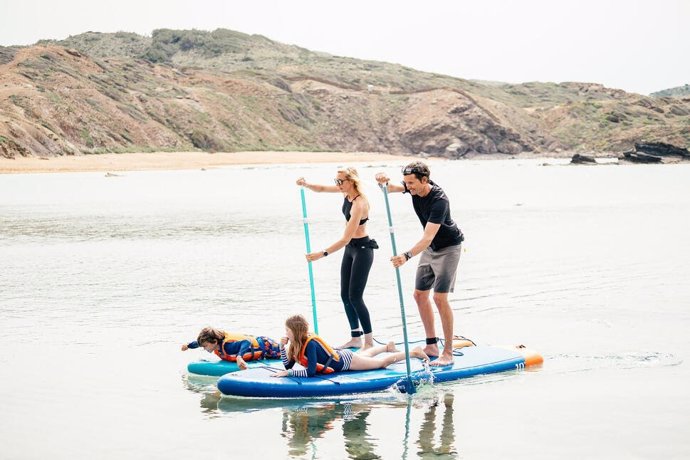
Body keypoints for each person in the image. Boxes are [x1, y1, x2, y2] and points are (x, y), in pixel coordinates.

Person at [375, 161, 464, 366]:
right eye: (406, 183)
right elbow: (389, 188)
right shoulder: (413, 187)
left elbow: (427, 237)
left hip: (448, 248)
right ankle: (431, 344)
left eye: (412, 183)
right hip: (430, 249)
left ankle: (447, 353)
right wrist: (382, 180)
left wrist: (406, 256)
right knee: (419, 295)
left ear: (425, 180)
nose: (408, 187)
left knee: (440, 298)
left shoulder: (439, 200)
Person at [296, 167, 379, 350]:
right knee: (345, 295)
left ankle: (369, 342)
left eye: (340, 181)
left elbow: (345, 238)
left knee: (356, 297)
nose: (338, 185)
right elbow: (323, 189)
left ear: (352, 181)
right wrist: (306, 184)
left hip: (363, 249)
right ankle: (355, 337)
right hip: (351, 250)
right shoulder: (346, 193)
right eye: (337, 181)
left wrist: (322, 253)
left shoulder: (359, 203)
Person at [271, 314, 428, 378]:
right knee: (365, 356)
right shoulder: (295, 345)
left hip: (346, 361)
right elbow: (288, 365)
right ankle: (387, 347)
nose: (285, 333)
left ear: (296, 332)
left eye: (287, 330)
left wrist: (291, 374)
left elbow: (311, 372)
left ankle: (414, 352)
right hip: (344, 357)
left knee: (382, 364)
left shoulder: (310, 344)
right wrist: (281, 348)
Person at [181, 327, 281, 370]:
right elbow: (198, 343)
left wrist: (239, 357)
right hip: (261, 352)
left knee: (287, 355)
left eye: (206, 346)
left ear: (215, 342)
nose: (204, 348)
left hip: (267, 346)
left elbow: (247, 342)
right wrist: (188, 345)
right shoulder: (215, 343)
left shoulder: (228, 346)